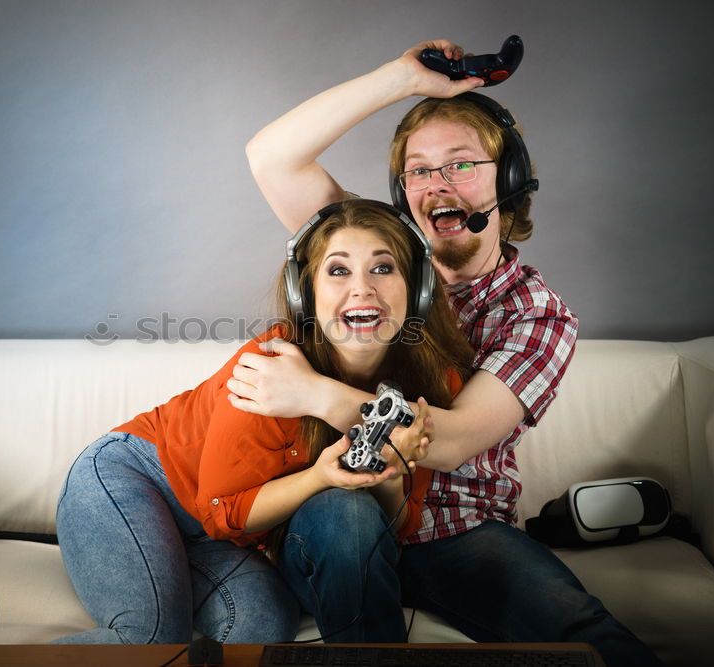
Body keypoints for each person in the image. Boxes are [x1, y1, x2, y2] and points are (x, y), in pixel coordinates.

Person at [234, 39, 662, 665]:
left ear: (508, 179)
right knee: (345, 520)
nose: (438, 185)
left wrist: (317, 394)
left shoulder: (536, 314)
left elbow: (454, 439)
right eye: (419, 170)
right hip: (341, 510)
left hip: (458, 533)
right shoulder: (368, 254)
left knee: (580, 629)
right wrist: (401, 79)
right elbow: (270, 157)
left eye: (460, 164)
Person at [54, 198, 474, 645]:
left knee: (258, 633)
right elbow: (221, 512)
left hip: (220, 540)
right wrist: (317, 477)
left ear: (418, 287)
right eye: (338, 271)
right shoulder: (271, 367)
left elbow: (399, 527)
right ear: (305, 293)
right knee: (151, 637)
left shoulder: (431, 380)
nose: (363, 289)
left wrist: (392, 472)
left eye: (383, 268)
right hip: (135, 480)